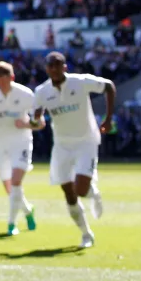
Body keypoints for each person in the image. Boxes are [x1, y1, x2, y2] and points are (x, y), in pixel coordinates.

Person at [33, 52, 114, 248]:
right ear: (47, 69)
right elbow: (37, 116)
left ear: (65, 67)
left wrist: (108, 119)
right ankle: (86, 234)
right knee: (69, 194)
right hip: (61, 145)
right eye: (50, 66)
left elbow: (109, 87)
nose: (54, 69)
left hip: (86, 141)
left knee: (81, 189)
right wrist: (36, 120)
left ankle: (92, 192)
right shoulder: (41, 91)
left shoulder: (80, 82)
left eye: (58, 65)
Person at [0, 62, 42, 235]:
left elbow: (40, 122)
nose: (1, 86)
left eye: (4, 81)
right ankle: (28, 211)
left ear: (12, 78)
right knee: (10, 188)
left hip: (21, 142)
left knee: (15, 182)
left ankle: (11, 224)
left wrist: (27, 124)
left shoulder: (26, 94)